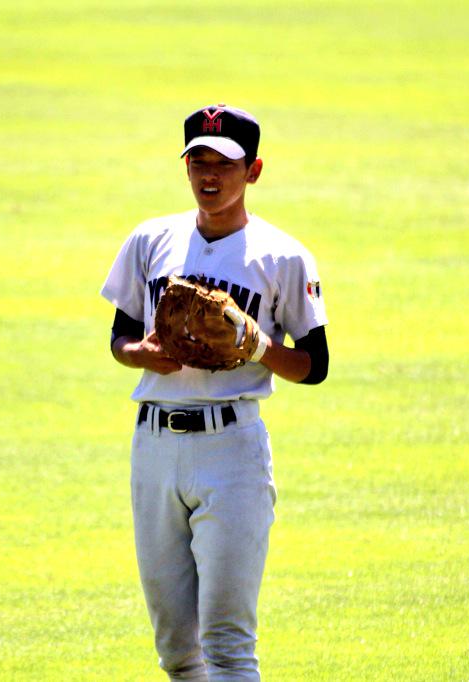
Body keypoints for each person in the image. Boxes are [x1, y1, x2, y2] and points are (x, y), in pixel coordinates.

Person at [100, 103, 329, 681]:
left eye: (224, 163)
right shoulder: (150, 238)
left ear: (252, 171)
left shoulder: (282, 255)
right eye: (197, 160)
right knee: (177, 651)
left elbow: (315, 365)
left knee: (227, 646)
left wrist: (258, 348)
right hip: (153, 450)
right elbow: (120, 337)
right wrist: (141, 355)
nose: (209, 175)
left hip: (232, 452)